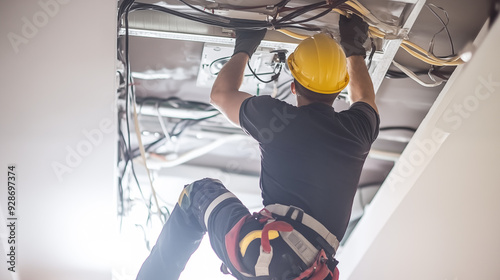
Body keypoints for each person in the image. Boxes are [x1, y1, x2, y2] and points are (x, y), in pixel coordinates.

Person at [137, 14, 379, 280]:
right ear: (340, 87)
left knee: (201, 193)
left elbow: (221, 94)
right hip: (274, 261)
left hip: (293, 264)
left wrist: (246, 46)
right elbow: (364, 96)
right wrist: (355, 51)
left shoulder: (282, 119)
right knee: (196, 196)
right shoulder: (355, 130)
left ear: (294, 86)